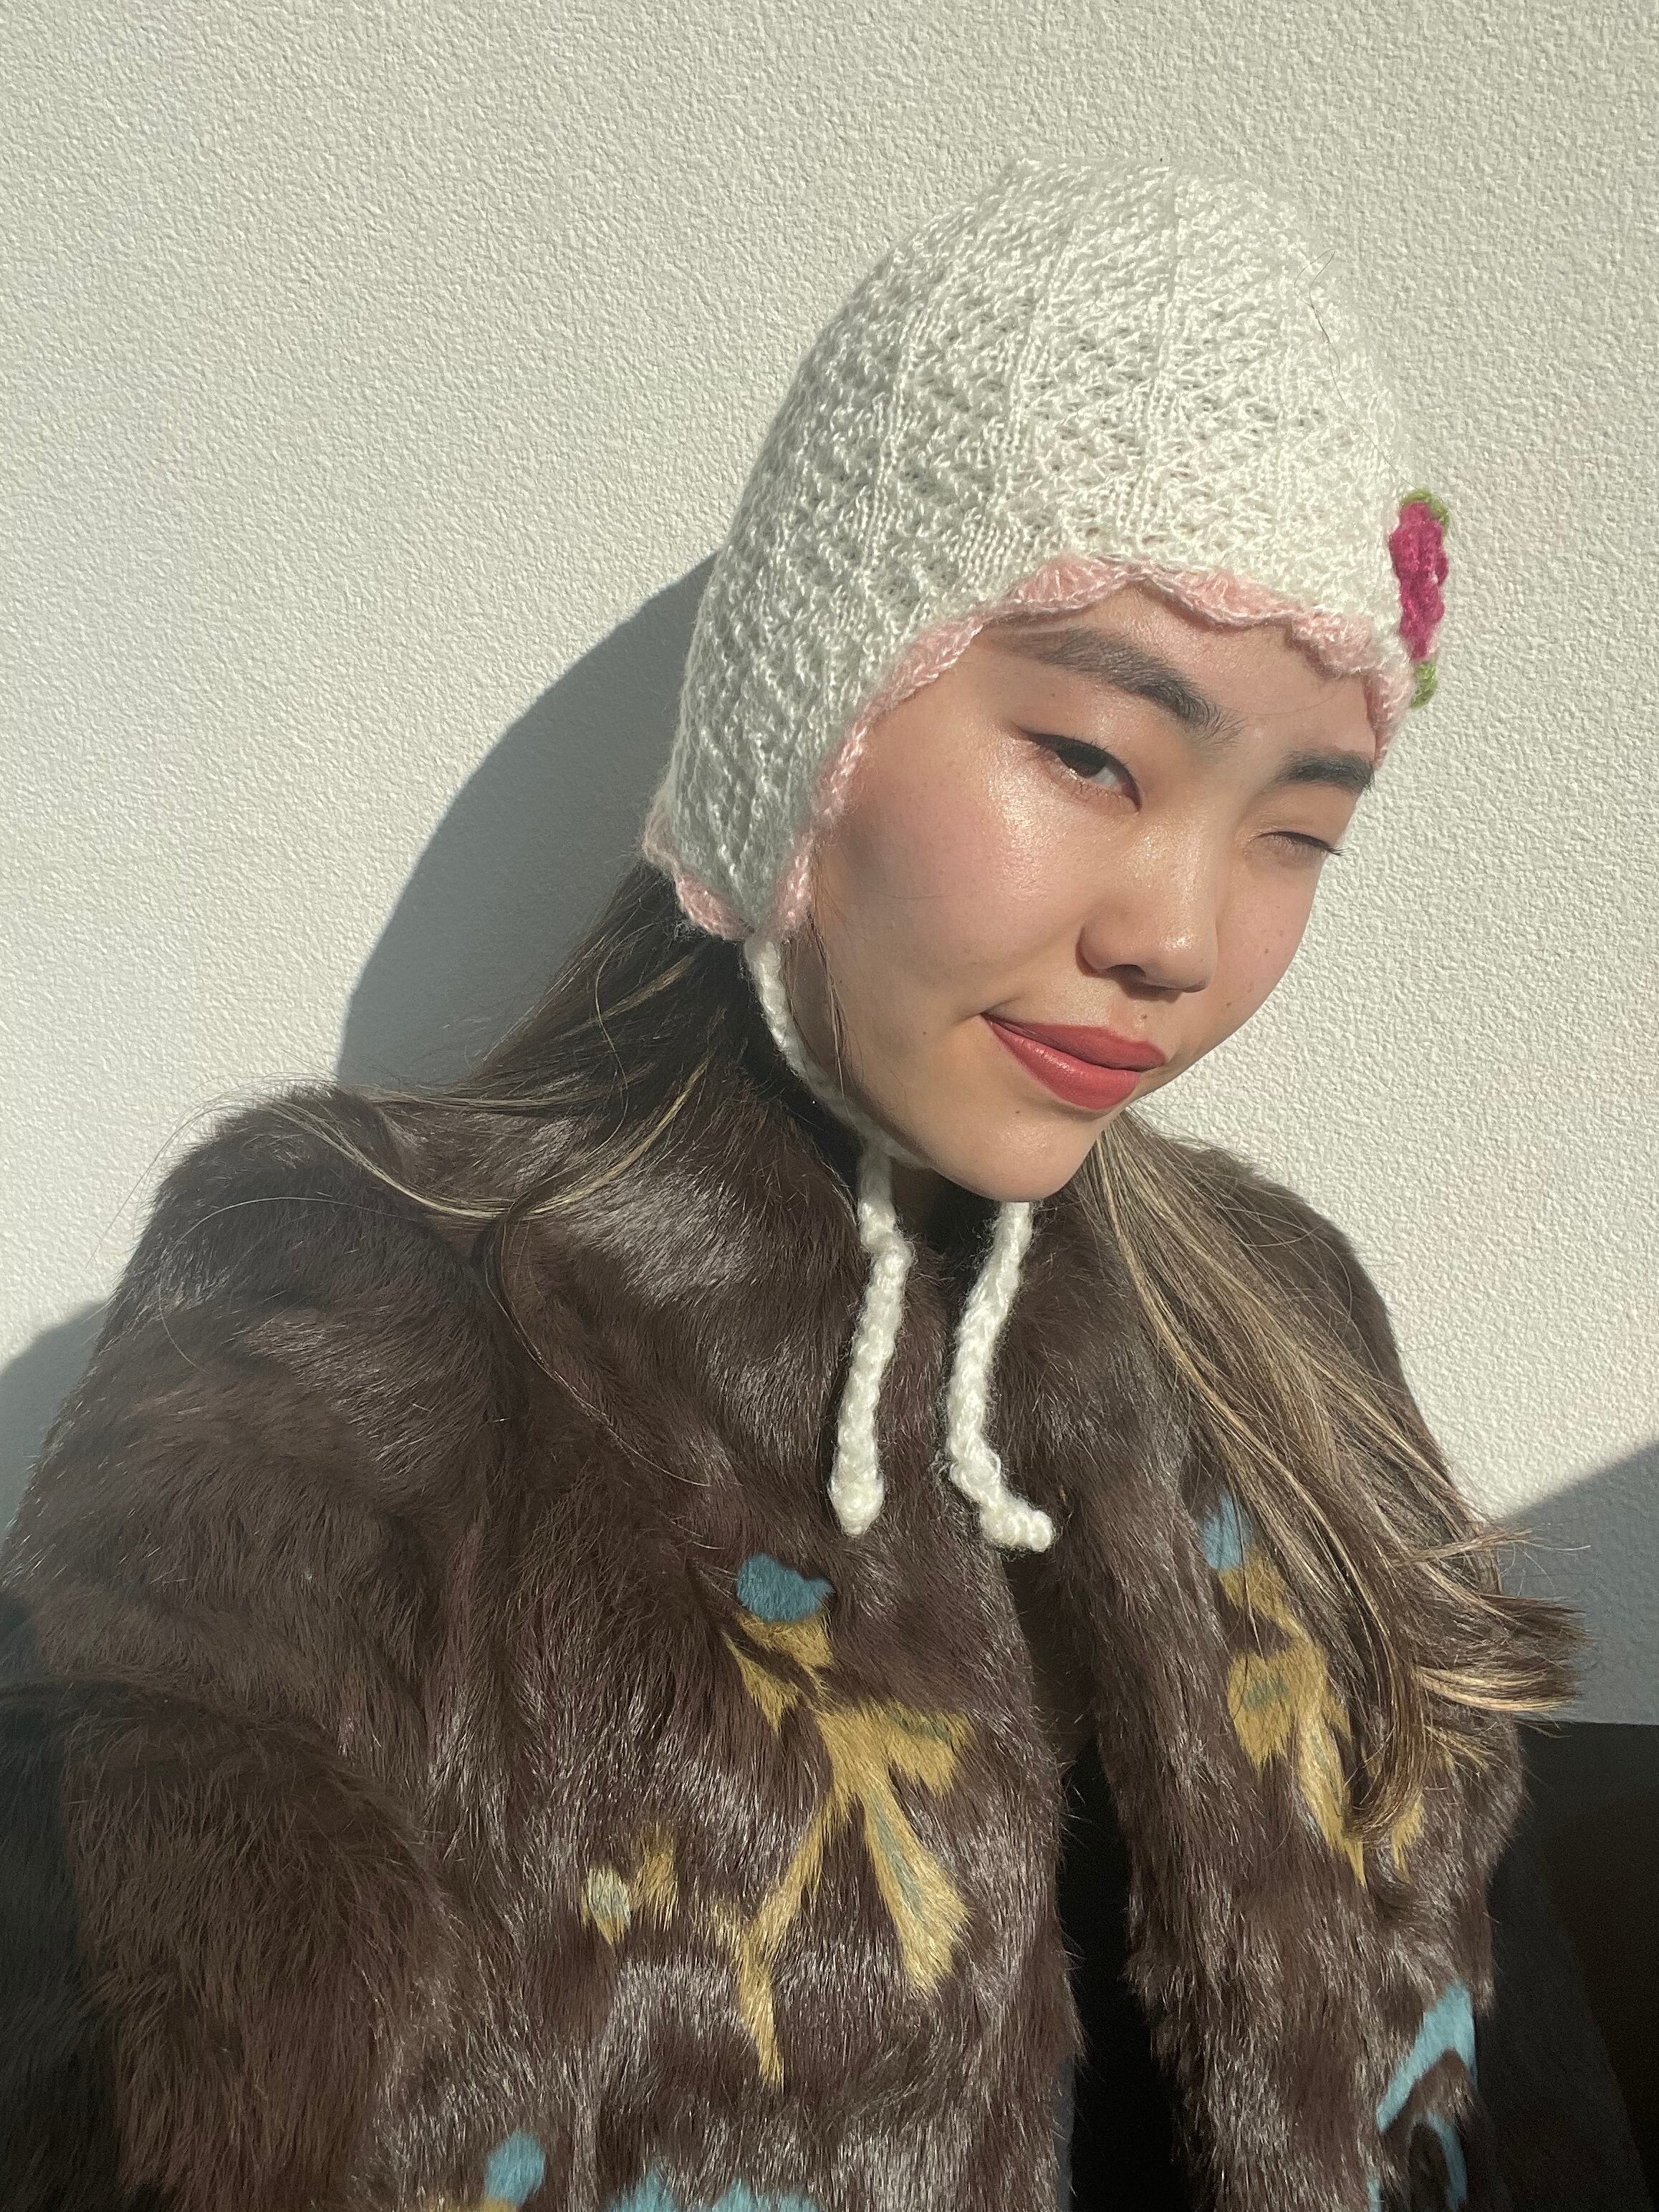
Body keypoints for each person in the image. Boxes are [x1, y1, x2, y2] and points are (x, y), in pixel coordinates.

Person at [0, 158, 1647, 2212]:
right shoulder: (345, 1328)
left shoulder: (1283, 1326)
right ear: (809, 724)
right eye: (1091, 757)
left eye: (1297, 829)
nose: (1180, 933)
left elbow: (1515, 2083)